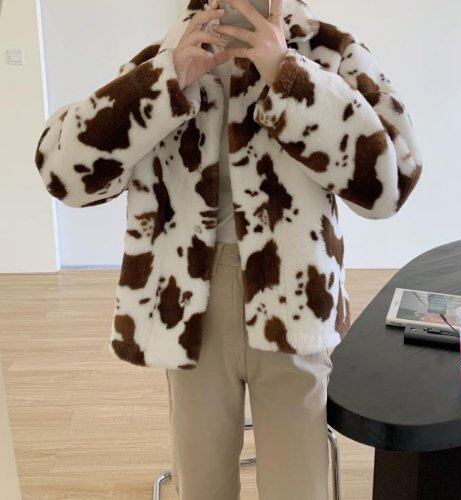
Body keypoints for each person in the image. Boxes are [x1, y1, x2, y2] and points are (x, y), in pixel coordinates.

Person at [35, 0, 422, 498]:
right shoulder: (166, 56)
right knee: (202, 486)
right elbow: (63, 174)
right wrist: (166, 78)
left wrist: (289, 76)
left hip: (295, 303)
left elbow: (391, 184)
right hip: (188, 307)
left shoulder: (330, 52)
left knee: (298, 488)